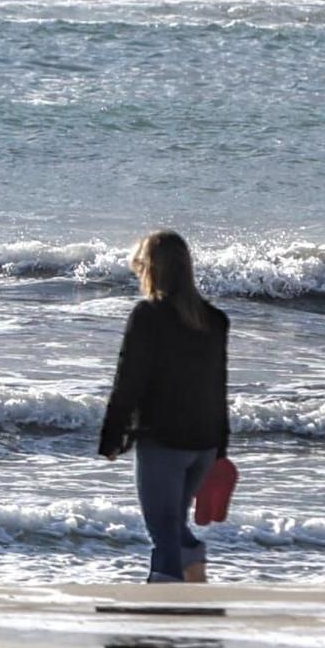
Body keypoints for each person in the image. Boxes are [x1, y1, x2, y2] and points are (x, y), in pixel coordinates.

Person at [97, 230, 231, 584]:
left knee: (163, 532)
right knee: (173, 525)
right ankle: (192, 575)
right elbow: (219, 387)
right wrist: (220, 448)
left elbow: (129, 381)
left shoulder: (149, 315)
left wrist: (112, 438)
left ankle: (166, 607)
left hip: (164, 443)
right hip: (202, 444)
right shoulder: (214, 320)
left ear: (150, 268)